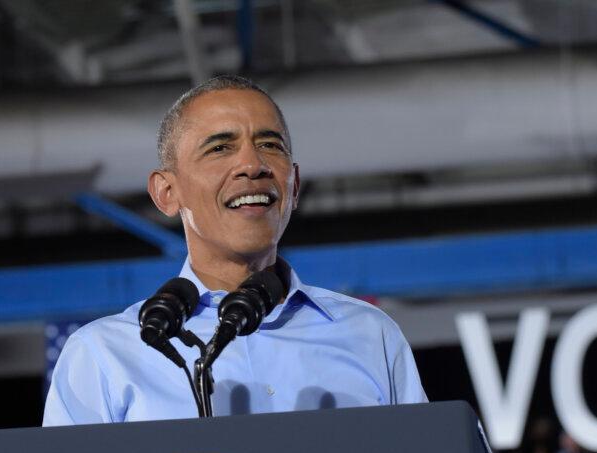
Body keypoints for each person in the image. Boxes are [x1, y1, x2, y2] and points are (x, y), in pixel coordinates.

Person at [43, 75, 427, 425]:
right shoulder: (104, 355)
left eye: (269, 145)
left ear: (293, 187)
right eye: (220, 148)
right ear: (167, 192)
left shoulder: (369, 334)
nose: (252, 164)